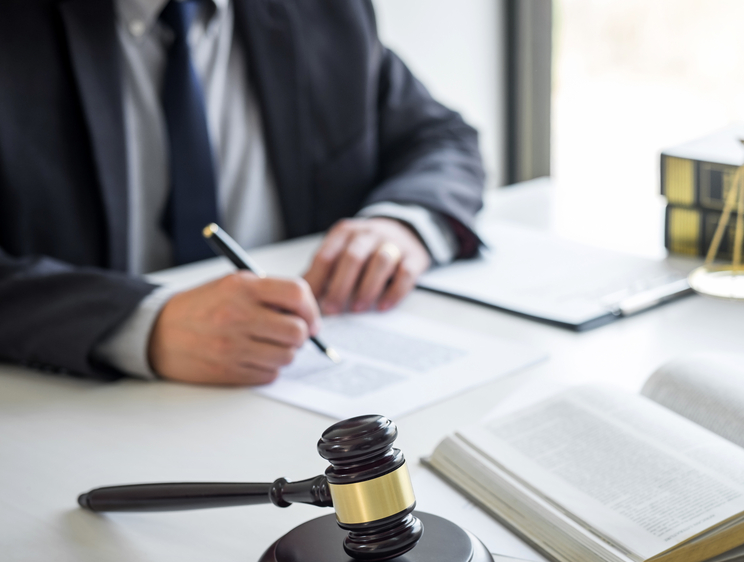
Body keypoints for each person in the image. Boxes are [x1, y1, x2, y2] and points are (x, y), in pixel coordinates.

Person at [0, 0, 484, 385]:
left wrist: (400, 223)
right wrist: (141, 323)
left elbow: (442, 138)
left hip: (295, 388)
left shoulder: (326, 10)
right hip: (72, 408)